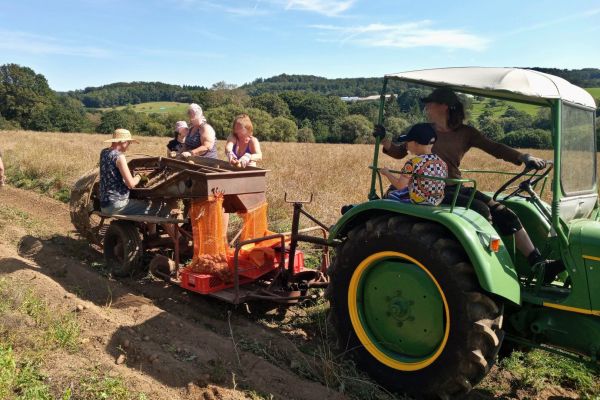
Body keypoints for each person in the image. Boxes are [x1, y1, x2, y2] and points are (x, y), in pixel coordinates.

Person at [375, 87, 562, 282]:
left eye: (431, 103)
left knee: (505, 214)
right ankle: (486, 271)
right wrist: (384, 139)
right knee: (481, 211)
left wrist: (524, 156)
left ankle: (538, 264)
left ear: (445, 106)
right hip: (427, 189)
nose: (427, 107)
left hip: (454, 187)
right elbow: (399, 152)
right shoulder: (423, 131)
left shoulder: (466, 133)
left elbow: (495, 148)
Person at [99, 128, 169, 217]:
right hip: (117, 204)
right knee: (160, 208)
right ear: (123, 142)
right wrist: (140, 176)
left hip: (105, 204)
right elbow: (131, 184)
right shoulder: (119, 157)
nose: (129, 145)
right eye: (129, 142)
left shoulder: (104, 152)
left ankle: (151, 231)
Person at [380, 123, 447, 205]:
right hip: (436, 202)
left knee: (390, 195)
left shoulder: (413, 163)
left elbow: (400, 185)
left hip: (418, 201)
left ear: (416, 142)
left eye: (408, 141)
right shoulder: (442, 162)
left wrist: (387, 173)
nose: (406, 145)